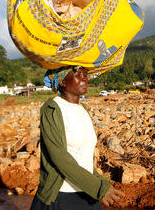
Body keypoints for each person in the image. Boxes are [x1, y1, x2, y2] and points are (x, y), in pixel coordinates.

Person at [30, 66, 124, 209]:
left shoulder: (83, 109)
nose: (84, 79)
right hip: (62, 195)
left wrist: (100, 184)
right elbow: (59, 157)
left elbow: (83, 159)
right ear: (62, 81)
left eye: (85, 75)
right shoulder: (52, 109)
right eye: (78, 75)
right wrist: (98, 188)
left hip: (87, 192)